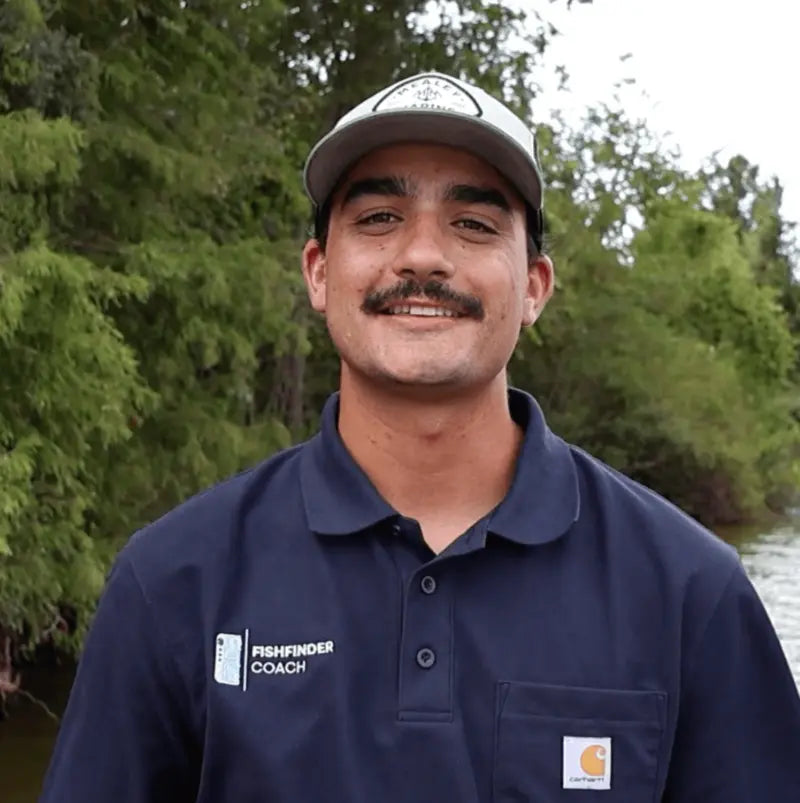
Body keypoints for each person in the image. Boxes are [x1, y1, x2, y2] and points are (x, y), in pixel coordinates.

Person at [41, 72, 800, 802]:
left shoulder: (692, 595)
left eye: (473, 224)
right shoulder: (172, 584)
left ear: (534, 286)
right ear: (318, 272)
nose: (422, 255)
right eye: (378, 219)